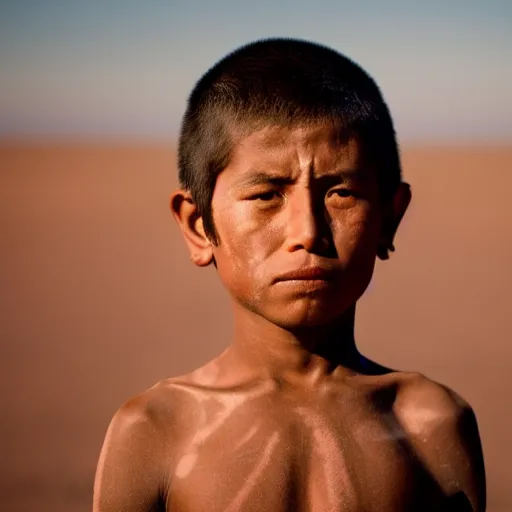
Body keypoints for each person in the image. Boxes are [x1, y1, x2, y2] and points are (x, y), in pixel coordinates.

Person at [93, 38, 486, 511]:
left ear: (388, 219)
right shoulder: (157, 431)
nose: (307, 232)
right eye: (266, 195)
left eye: (340, 193)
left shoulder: (432, 425)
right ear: (199, 227)